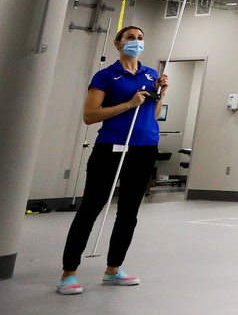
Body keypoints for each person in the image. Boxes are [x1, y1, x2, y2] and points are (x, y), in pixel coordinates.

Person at [57, 26, 168, 294]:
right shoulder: (106, 76)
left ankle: (113, 269)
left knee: (129, 213)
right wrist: (128, 104)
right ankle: (68, 274)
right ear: (119, 43)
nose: (136, 42)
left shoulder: (150, 74)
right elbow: (90, 116)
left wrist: (161, 93)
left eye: (140, 38)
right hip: (111, 148)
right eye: (130, 38)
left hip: (144, 148)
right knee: (90, 208)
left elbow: (153, 114)